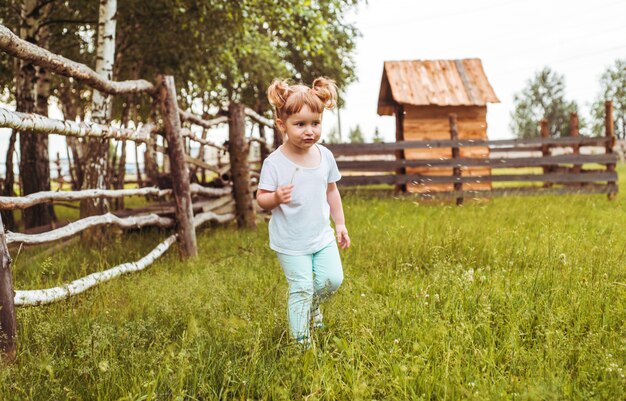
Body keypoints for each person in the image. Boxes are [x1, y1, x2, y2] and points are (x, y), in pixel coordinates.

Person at [256, 77, 350, 347]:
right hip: (291, 242)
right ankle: (302, 345)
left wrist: (340, 224)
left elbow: (331, 190)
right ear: (282, 125)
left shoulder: (325, 156)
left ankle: (312, 308)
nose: (309, 131)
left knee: (332, 280)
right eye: (300, 125)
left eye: (315, 123)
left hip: (321, 236)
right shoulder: (274, 163)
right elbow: (261, 199)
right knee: (301, 288)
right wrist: (275, 197)